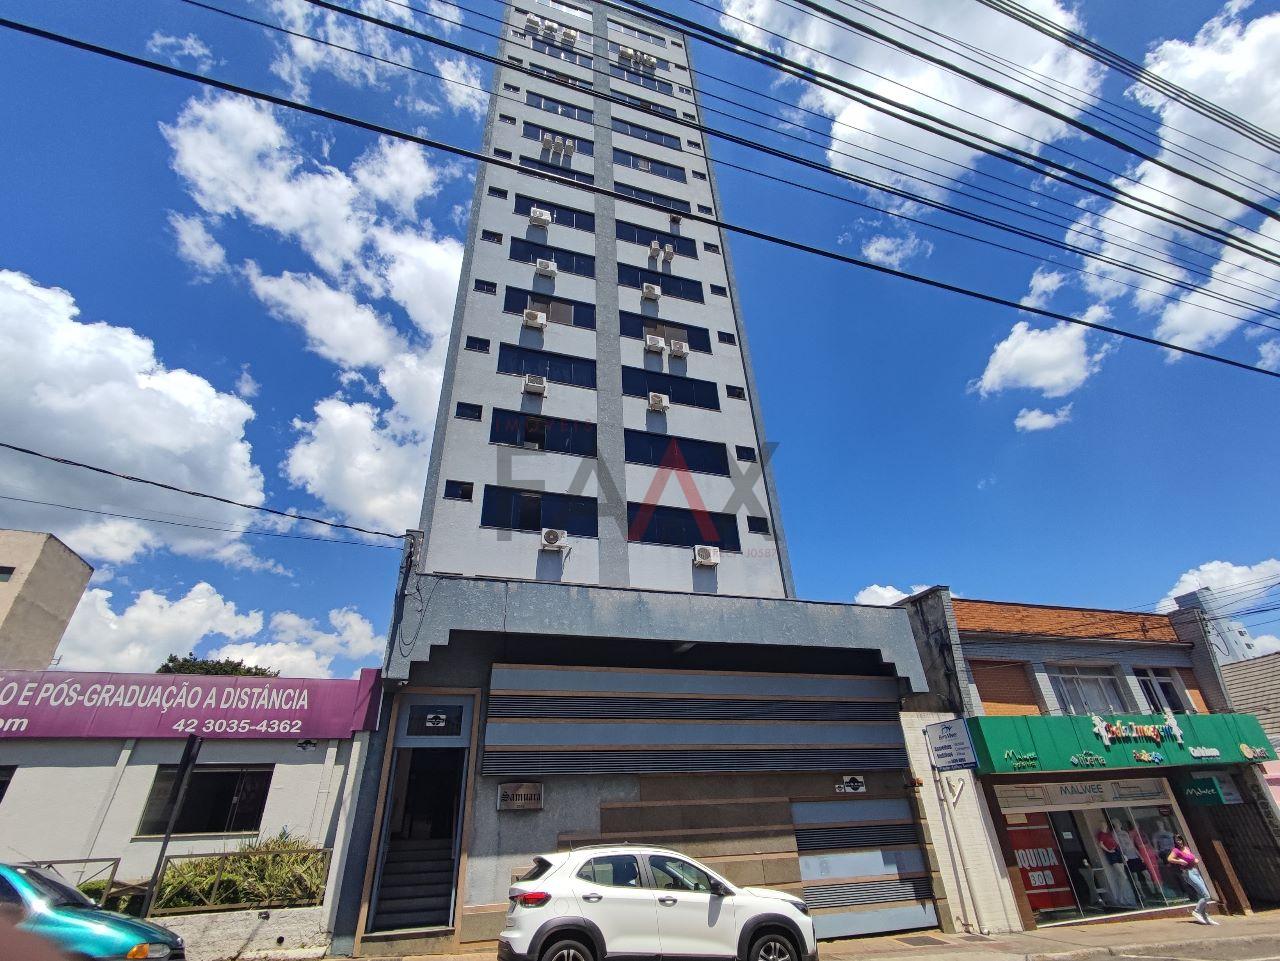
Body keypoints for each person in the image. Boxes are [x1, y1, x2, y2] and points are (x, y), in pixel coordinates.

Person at [1167, 834, 1217, 924]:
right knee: (1206, 895)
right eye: (1176, 840)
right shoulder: (1176, 850)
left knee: (1203, 895)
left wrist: (1195, 860)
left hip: (1195, 871)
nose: (1179, 842)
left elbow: (1191, 858)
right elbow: (1169, 859)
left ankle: (1204, 916)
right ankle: (1196, 911)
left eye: (1180, 839)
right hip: (1188, 873)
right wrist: (1180, 861)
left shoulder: (1186, 848)